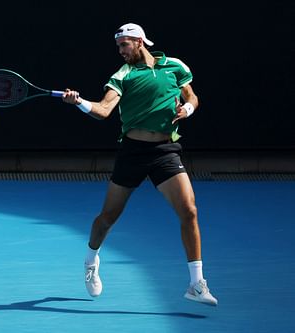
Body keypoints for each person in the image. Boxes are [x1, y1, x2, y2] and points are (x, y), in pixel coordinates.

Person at [61, 23, 217, 306]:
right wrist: (80, 102)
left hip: (165, 151)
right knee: (107, 218)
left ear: (140, 42)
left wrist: (189, 108)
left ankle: (196, 283)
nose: (121, 51)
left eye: (124, 45)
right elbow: (104, 110)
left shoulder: (174, 66)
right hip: (133, 152)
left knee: (189, 211)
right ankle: (91, 260)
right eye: (118, 47)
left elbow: (191, 96)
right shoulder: (123, 75)